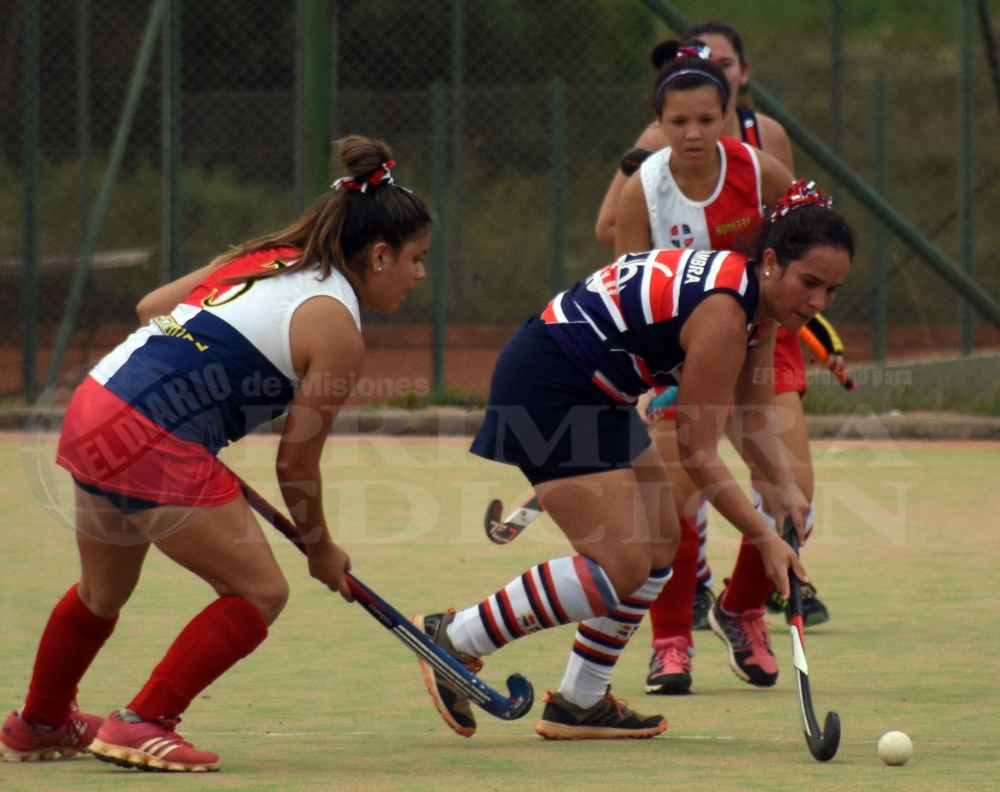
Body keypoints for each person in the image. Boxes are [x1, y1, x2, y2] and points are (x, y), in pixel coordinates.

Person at [0, 136, 432, 771]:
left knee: (101, 592)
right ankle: (142, 722)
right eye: (417, 258)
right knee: (258, 592)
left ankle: (38, 723)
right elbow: (295, 464)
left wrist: (186, 406)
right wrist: (321, 547)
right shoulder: (337, 329)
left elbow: (152, 309)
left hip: (93, 407)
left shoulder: (267, 258)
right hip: (152, 434)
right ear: (378, 253)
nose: (420, 273)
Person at [413, 181, 853, 741]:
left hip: (599, 391)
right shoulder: (724, 315)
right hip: (551, 383)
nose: (817, 302)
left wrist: (785, 487)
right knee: (618, 561)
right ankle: (456, 639)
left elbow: (754, 405)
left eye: (832, 291)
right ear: (771, 262)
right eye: (808, 283)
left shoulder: (757, 304)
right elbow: (697, 453)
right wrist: (765, 538)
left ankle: (580, 701)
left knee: (660, 545)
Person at [601, 29, 843, 697]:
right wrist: (647, 382)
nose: (693, 133)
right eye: (678, 121)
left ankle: (739, 612)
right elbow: (627, 291)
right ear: (658, 123)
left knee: (793, 494)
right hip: (679, 360)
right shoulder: (640, 191)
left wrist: (809, 311)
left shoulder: (760, 171)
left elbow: (810, 246)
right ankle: (672, 642)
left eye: (707, 118)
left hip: (763, 344)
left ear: (730, 111)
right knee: (674, 504)